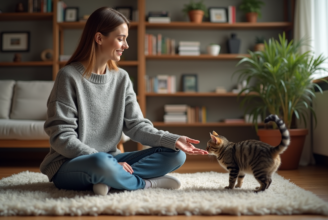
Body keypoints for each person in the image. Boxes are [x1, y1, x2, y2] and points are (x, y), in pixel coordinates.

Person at [40, 7, 208, 196]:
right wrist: (102, 159)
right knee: (101, 164)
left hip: (112, 160)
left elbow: (136, 125)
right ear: (99, 38)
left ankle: (112, 181)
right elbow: (61, 136)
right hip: (71, 163)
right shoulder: (68, 76)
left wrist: (174, 140)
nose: (126, 45)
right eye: (121, 39)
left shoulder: (122, 78)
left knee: (176, 154)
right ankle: (146, 184)